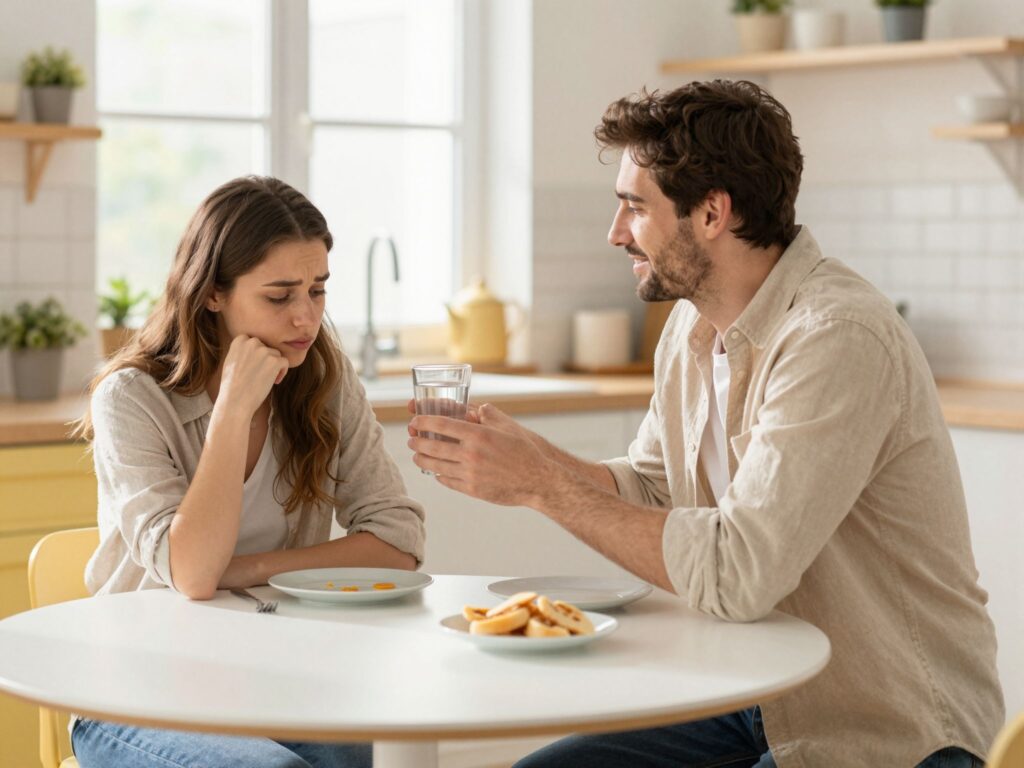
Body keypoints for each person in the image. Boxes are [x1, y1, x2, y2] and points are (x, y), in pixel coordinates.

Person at [407, 80, 1004, 767]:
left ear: (713, 213)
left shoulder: (836, 338)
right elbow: (659, 490)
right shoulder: (691, 328)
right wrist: (529, 462)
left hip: (886, 727)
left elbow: (739, 572)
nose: (616, 233)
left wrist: (542, 485)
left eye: (635, 207)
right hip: (755, 701)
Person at [74, 176, 426, 768]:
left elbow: (398, 542)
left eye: (317, 291)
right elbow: (190, 572)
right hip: (135, 692)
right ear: (213, 294)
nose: (306, 319)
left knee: (373, 744)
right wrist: (233, 409)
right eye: (279, 296)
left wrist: (249, 569)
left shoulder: (324, 380)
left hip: (279, 676)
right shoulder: (131, 398)